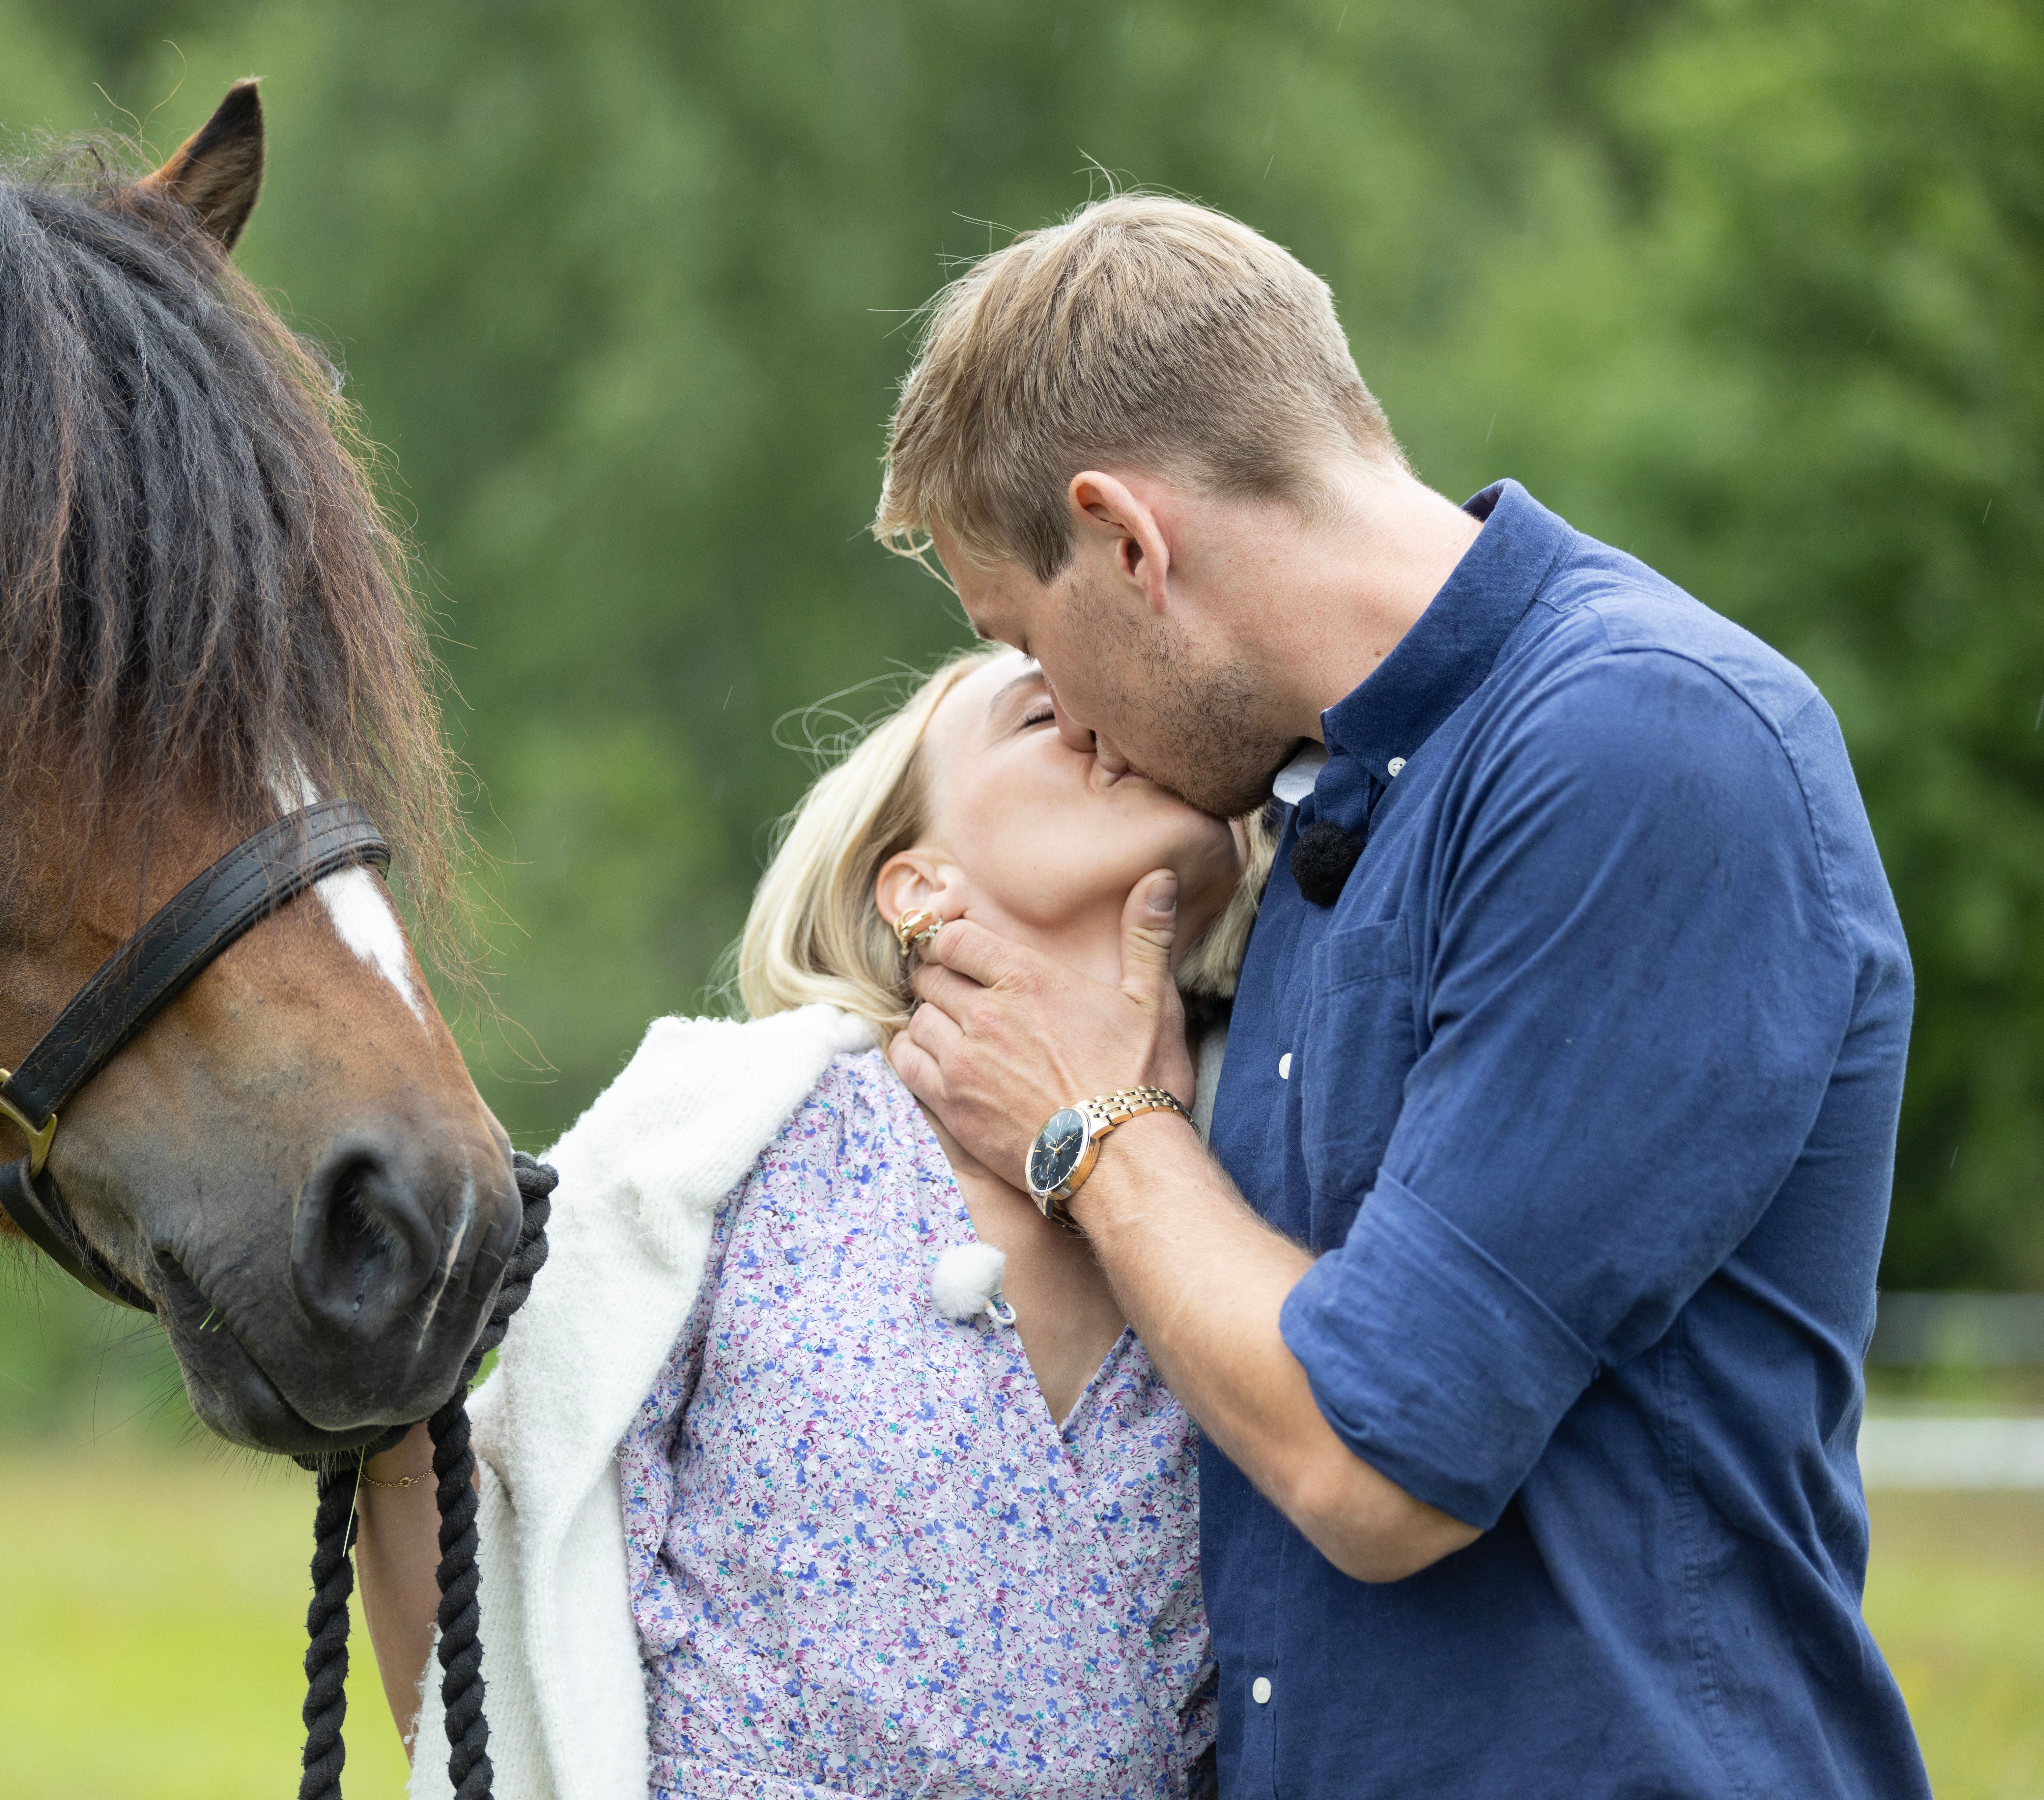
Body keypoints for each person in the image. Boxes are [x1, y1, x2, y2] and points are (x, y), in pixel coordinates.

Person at [872, 194, 1928, 1797]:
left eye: (1023, 640)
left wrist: (1094, 1121)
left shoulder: (1638, 747)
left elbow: (1377, 1462)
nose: (1064, 720)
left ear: (1126, 539)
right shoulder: (1327, 805)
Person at [353, 645, 1274, 1798]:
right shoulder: (721, 1145)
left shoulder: (1269, 1164)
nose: (1108, 728)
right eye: (1045, 714)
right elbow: (502, 1593)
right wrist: (385, 1423)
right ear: (917, 887)